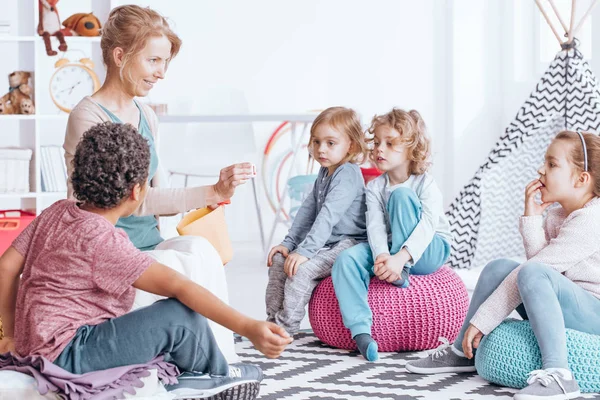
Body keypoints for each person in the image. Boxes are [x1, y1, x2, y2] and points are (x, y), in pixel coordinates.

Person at [0, 122, 292, 399]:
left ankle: (186, 372)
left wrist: (11, 336)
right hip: (70, 354)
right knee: (179, 317)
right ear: (137, 191)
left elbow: (6, 267)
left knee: (143, 321)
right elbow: (180, 286)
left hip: (34, 346)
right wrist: (248, 327)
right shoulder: (104, 240)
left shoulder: (58, 211)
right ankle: (217, 375)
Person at [63, 4, 249, 362]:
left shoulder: (147, 115)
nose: (161, 73)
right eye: (153, 61)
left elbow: (156, 194)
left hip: (148, 242)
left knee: (199, 250)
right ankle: (213, 365)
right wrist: (211, 190)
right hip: (109, 253)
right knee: (188, 266)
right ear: (120, 56)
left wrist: (212, 198)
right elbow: (137, 200)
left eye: (165, 63)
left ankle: (219, 362)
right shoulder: (87, 117)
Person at [406, 131, 600, 400]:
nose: (540, 169)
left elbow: (538, 270)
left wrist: (483, 320)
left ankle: (560, 375)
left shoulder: (591, 220)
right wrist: (533, 216)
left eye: (552, 164)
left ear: (581, 179)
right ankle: (462, 352)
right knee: (499, 268)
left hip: (594, 312)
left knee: (530, 271)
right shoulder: (557, 213)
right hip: (564, 300)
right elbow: (537, 271)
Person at [332, 108, 451, 361]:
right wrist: (383, 256)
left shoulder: (424, 182)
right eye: (376, 143)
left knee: (401, 196)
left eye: (390, 143)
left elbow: (428, 225)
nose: (379, 150)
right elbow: (374, 226)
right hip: (390, 249)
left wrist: (401, 259)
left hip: (428, 249)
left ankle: (402, 271)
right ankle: (361, 331)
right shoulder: (375, 186)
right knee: (347, 259)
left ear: (411, 148)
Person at [265, 106, 368, 336]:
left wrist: (306, 251)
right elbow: (307, 211)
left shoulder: (348, 173)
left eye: (331, 143)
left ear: (350, 145)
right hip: (328, 243)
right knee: (280, 260)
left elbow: (327, 216)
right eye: (316, 141)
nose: (321, 149)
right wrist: (289, 244)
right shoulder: (325, 172)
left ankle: (285, 329)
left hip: (350, 243)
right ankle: (272, 322)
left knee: (301, 270)